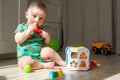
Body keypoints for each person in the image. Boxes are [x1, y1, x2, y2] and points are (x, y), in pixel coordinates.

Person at [14, 1, 66, 70]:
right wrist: (28, 31)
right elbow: (17, 39)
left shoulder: (40, 30)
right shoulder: (22, 27)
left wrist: (47, 37)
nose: (37, 20)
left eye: (41, 18)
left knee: (49, 50)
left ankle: (61, 62)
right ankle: (43, 65)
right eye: (34, 16)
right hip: (24, 57)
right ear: (27, 14)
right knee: (26, 62)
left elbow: (45, 43)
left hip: (39, 55)